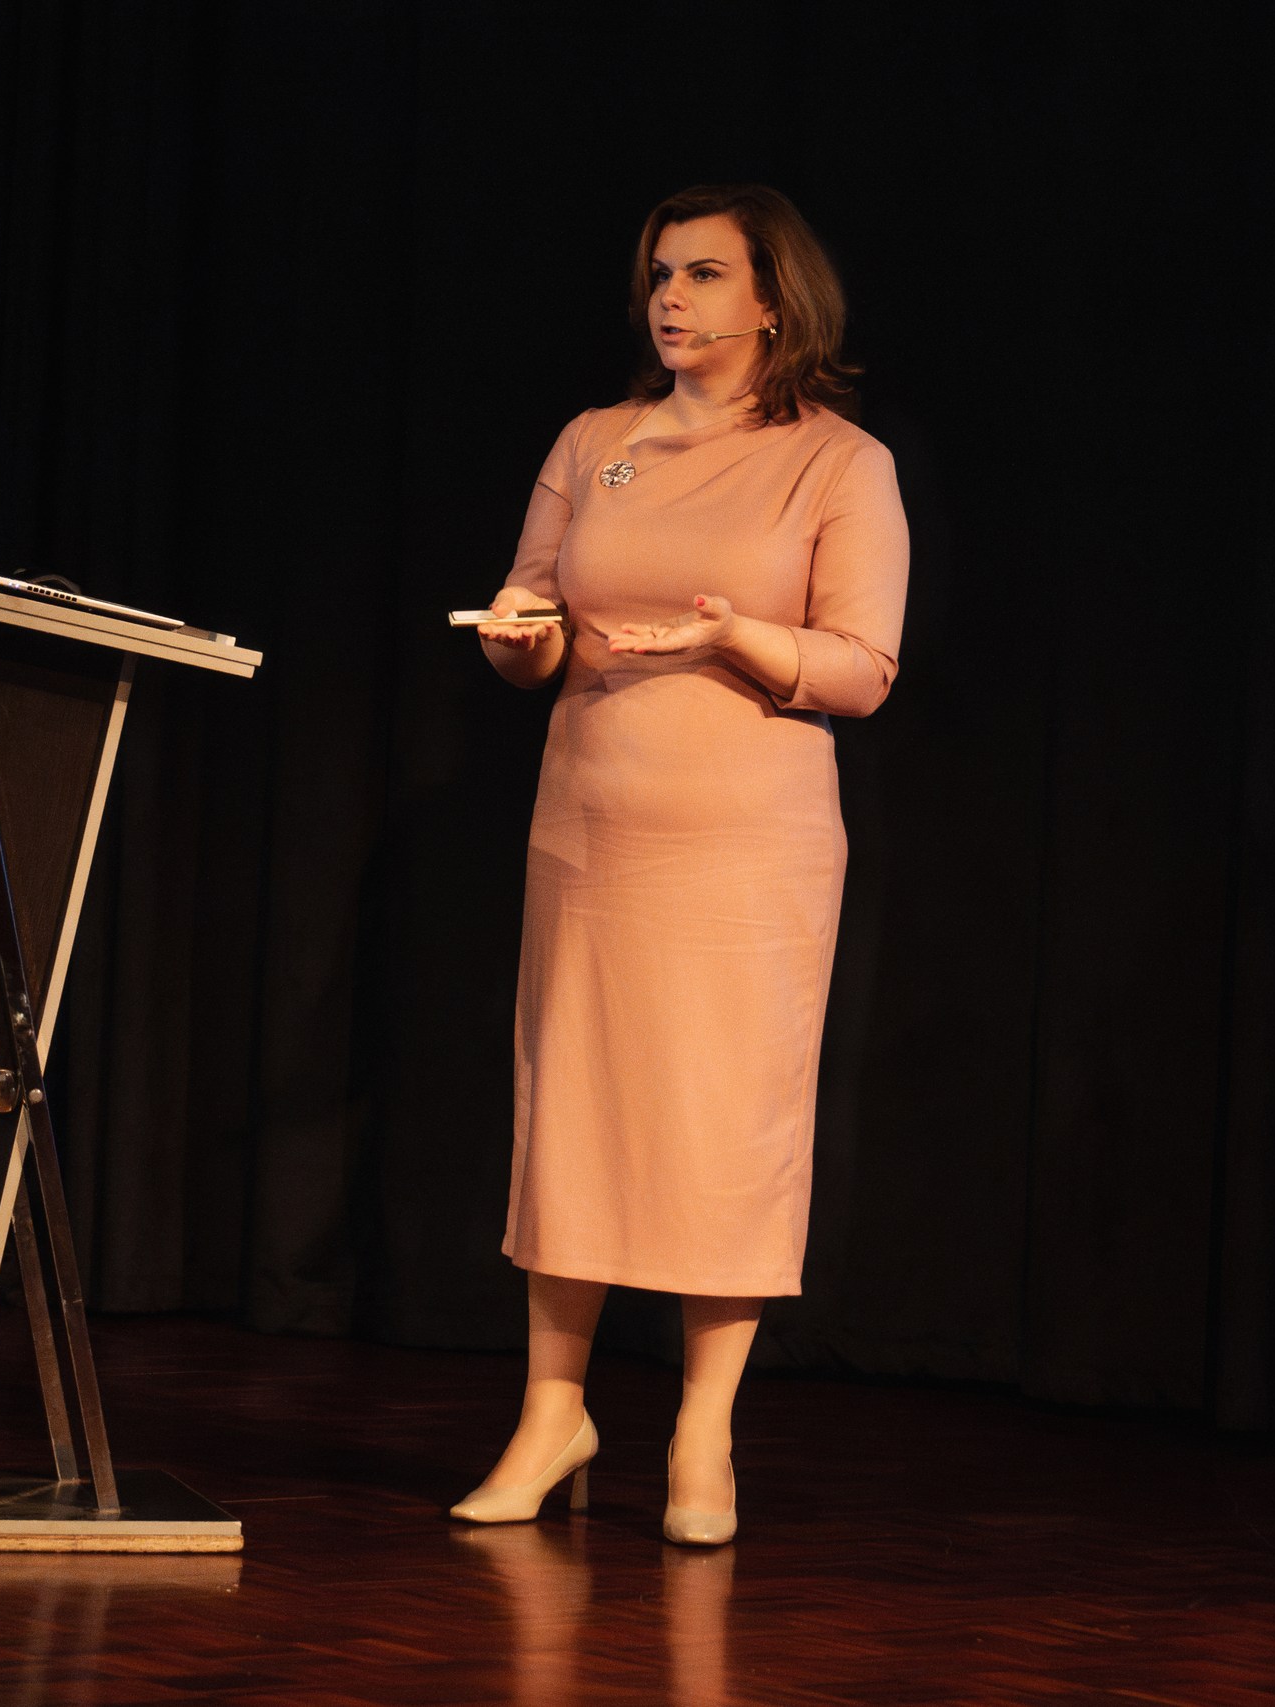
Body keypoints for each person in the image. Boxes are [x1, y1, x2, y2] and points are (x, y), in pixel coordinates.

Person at [451, 184, 909, 1545]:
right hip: (591, 829)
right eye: (660, 273)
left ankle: (704, 1431)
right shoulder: (594, 442)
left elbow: (863, 670)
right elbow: (532, 624)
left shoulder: (839, 463)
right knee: (573, 1113)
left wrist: (733, 638)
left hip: (747, 846)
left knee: (726, 1123)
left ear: (774, 301)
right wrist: (520, 635)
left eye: (703, 274)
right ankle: (553, 1414)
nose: (670, 297)